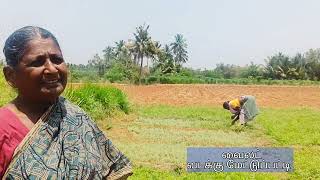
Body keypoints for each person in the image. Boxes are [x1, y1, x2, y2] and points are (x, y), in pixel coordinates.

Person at [0, 26, 132, 179]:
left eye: (57, 60)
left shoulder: (76, 117)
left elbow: (110, 171)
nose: (52, 69)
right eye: (37, 62)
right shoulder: (3, 127)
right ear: (10, 75)